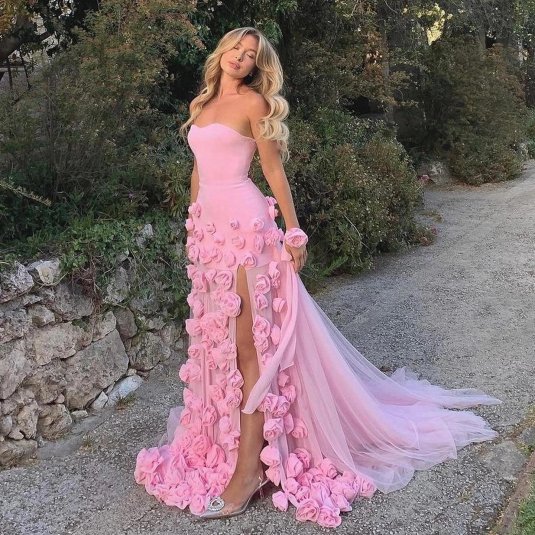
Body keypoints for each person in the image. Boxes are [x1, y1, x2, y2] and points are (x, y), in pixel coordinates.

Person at [134, 26, 502, 528]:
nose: (240, 58)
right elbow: (199, 172)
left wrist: (293, 231)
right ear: (221, 53)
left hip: (247, 233)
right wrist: (193, 225)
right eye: (235, 49)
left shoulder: (254, 105)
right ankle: (234, 445)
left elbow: (273, 170)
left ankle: (248, 471)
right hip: (210, 237)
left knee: (249, 348)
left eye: (250, 54)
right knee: (217, 347)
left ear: (257, 65)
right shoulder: (201, 106)